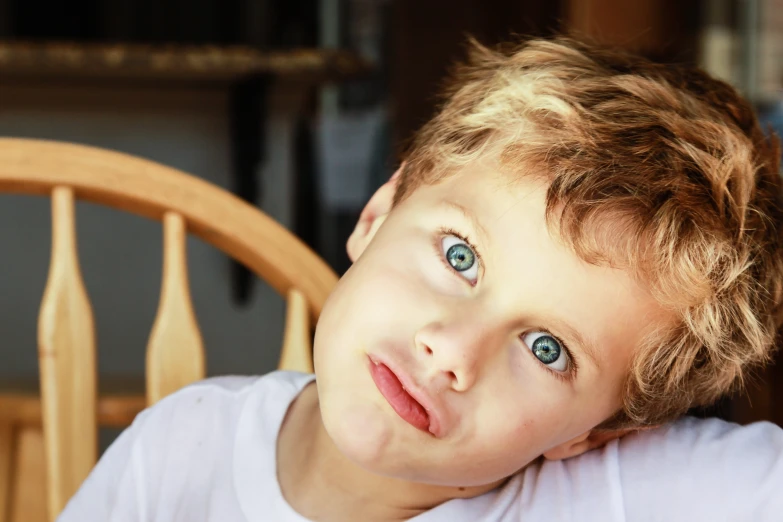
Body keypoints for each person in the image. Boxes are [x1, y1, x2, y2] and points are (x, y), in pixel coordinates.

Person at [58, 36, 783, 522]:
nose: (451, 350)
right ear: (378, 213)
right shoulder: (180, 449)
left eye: (545, 348)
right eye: (459, 257)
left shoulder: (616, 494)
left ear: (596, 433)